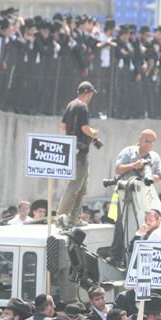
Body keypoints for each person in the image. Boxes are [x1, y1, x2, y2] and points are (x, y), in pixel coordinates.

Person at [57, 81, 99, 227]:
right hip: (80, 151)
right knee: (74, 186)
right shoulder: (83, 107)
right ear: (89, 93)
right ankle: (61, 217)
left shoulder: (71, 105)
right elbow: (85, 128)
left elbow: (63, 126)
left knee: (82, 187)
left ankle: (75, 218)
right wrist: (94, 133)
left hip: (72, 148)